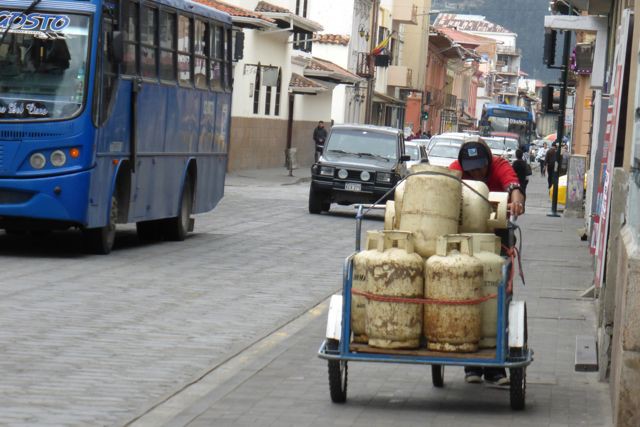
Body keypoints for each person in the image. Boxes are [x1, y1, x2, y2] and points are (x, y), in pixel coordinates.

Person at [449, 137, 525, 387]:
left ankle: (495, 368)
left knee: (498, 297)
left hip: (497, 236)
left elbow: (512, 184)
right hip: (468, 237)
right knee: (467, 293)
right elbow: (444, 184)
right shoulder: (457, 170)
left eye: (480, 167)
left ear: (488, 162)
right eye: (471, 169)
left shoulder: (500, 166)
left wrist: (516, 200)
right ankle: (471, 364)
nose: (476, 173)